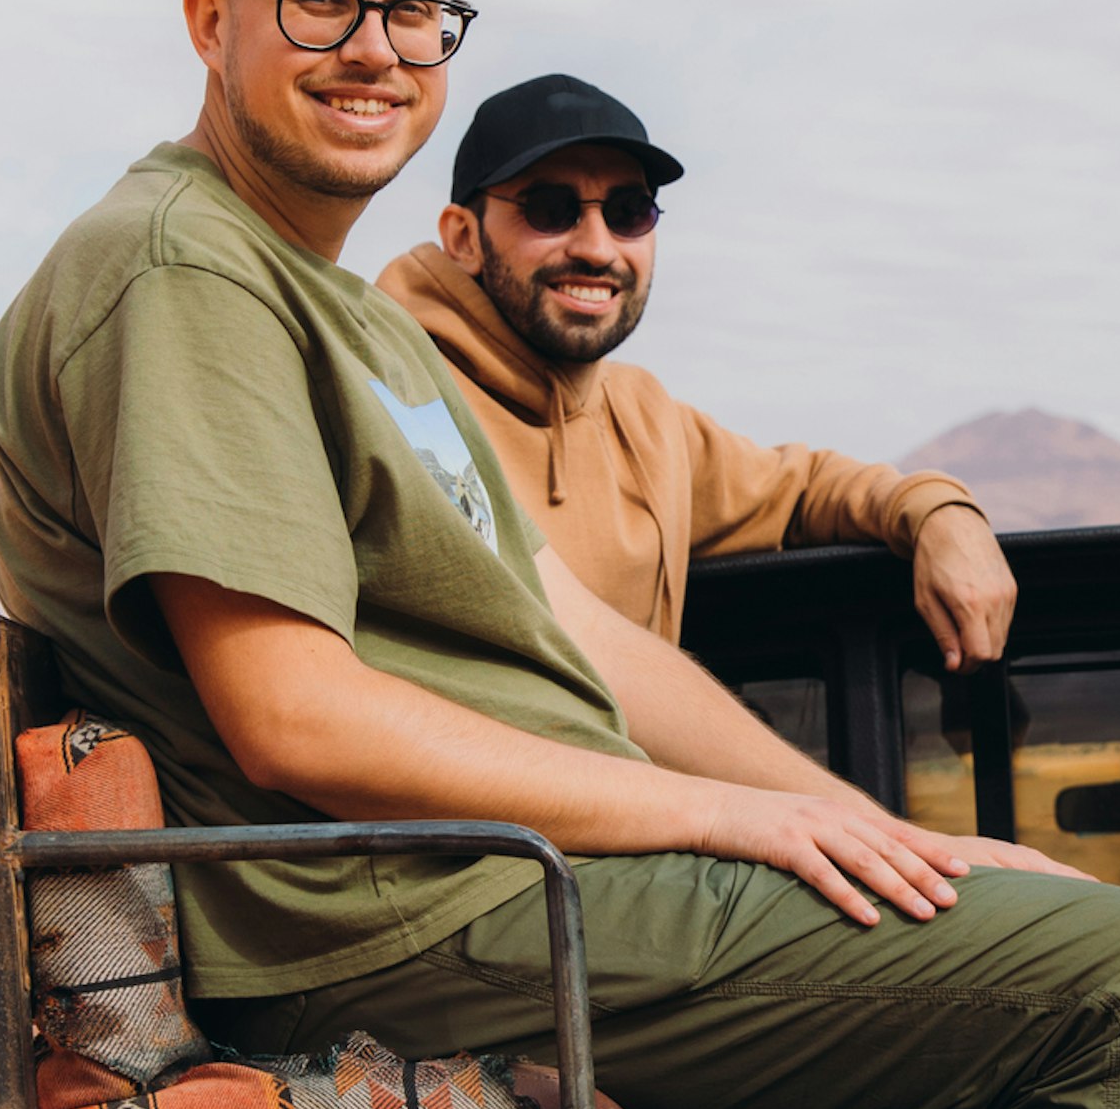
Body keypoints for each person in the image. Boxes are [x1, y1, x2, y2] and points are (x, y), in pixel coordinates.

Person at [0, 0, 1120, 1109]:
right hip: (405, 918)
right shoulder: (182, 272)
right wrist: (736, 821)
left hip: (508, 882)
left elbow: (583, 633)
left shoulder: (357, 317)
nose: (374, 53)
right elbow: (295, 720)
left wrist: (878, 836)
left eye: (414, 11)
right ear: (214, 22)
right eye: (320, 2)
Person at [376, 74, 1018, 667]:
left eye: (628, 211)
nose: (598, 248)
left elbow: (801, 491)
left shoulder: (645, 420)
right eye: (551, 208)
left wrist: (940, 514)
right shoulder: (396, 399)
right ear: (463, 238)